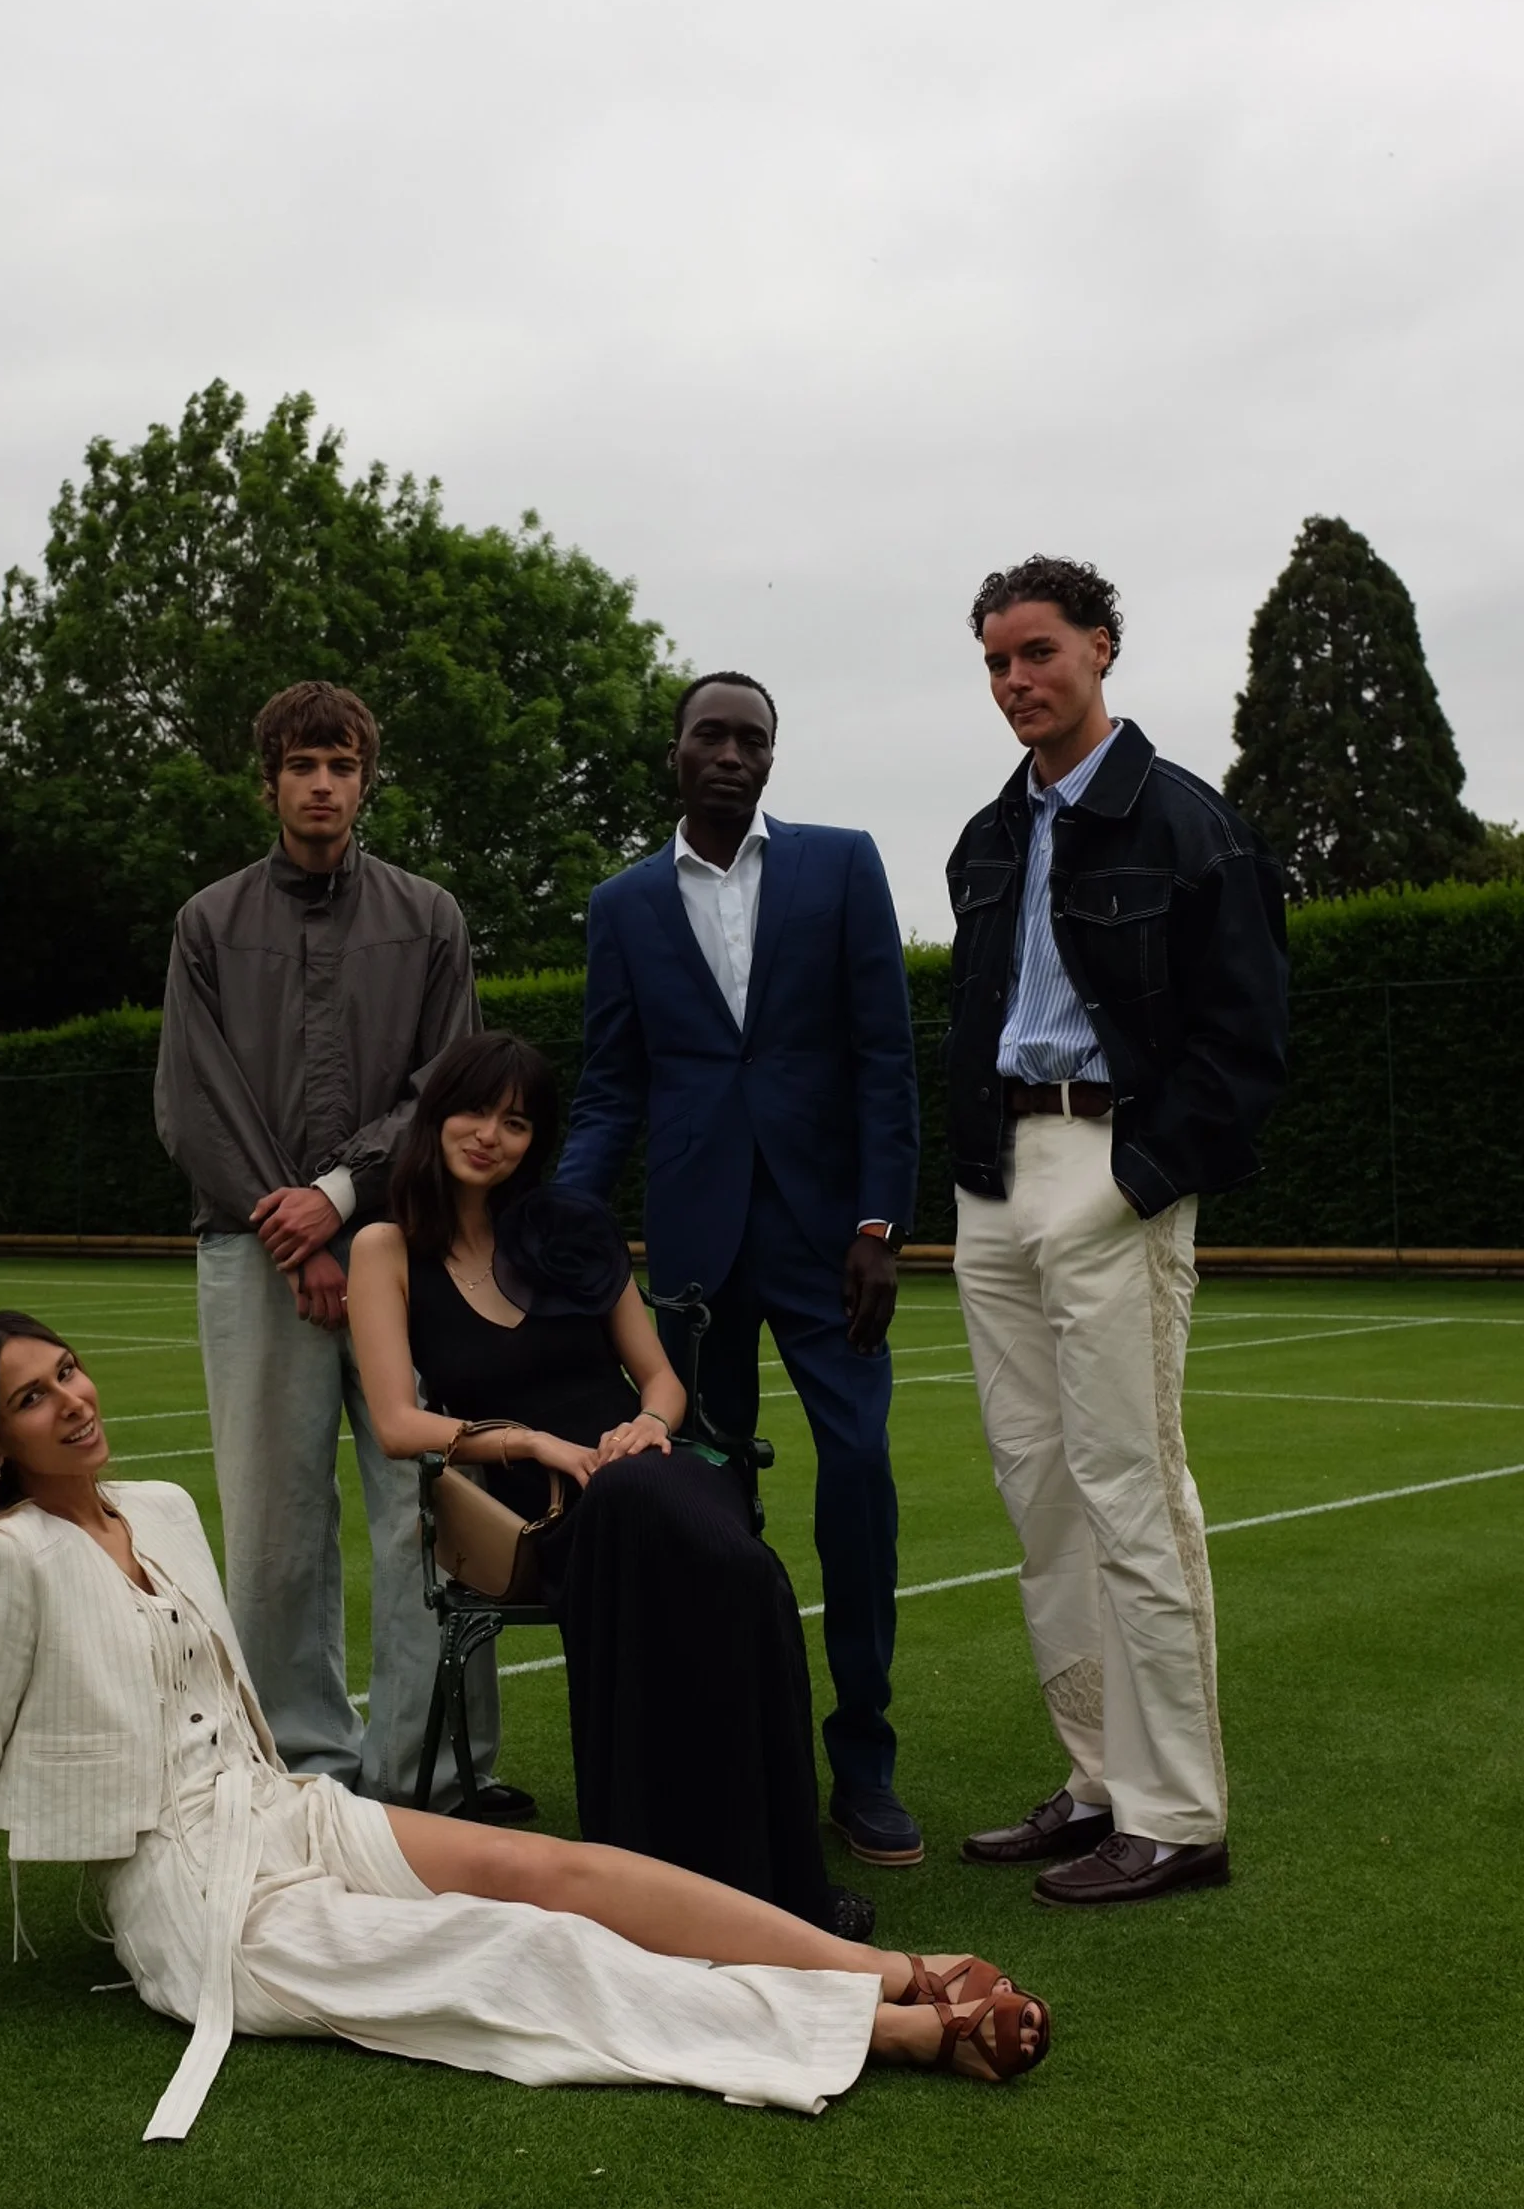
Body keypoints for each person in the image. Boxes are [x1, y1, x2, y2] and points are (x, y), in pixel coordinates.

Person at [0, 1313, 1050, 2136]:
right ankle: (888, 2031)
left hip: (283, 1813)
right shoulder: (2, 1558)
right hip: (192, 1900)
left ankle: (891, 1966)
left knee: (559, 1871)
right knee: (509, 1951)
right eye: (31, 1397)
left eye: (67, 1369)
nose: (72, 1398)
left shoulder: (159, 1506)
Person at [349, 1031, 870, 1938]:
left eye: (517, 1122)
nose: (490, 1136)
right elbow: (397, 1423)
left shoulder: (568, 1228)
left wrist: (649, 1425)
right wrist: (531, 1443)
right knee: (684, 1541)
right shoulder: (386, 1249)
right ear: (436, 1117)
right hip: (538, 1498)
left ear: (536, 1142)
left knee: (716, 1555)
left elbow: (660, 1378)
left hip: (648, 1464)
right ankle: (701, 1881)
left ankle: (769, 1883)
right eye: (474, 1112)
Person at [945, 557, 1287, 1906]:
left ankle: (1179, 1814)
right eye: (995, 661)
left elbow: (1245, 1044)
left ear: (1100, 647)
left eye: (1038, 651)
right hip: (995, 1180)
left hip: (1110, 1168)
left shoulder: (1190, 825)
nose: (1015, 680)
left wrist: (1136, 1180)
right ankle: (1096, 1785)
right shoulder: (987, 835)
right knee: (1039, 1496)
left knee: (1130, 1490)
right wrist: (969, 1179)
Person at [555, 673, 923, 1870]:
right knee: (710, 1511)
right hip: (693, 1261)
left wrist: (881, 1225)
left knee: (857, 1476)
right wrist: (561, 1221)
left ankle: (863, 1764)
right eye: (709, 736)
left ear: (772, 757)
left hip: (829, 1249)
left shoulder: (843, 866)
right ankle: (739, 1767)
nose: (730, 753)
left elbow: (885, 1058)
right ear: (675, 753)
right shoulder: (622, 904)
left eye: (750, 739)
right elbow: (613, 1086)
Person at [155, 679, 506, 1811]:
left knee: (429, 1506)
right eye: (301, 765)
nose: (321, 784)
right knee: (274, 1528)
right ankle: (298, 1771)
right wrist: (294, 1228)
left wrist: (340, 1198)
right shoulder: (207, 925)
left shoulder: (431, 917)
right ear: (268, 783)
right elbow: (193, 1101)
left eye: (341, 765)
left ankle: (431, 1774)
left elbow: (445, 1087)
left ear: (366, 781)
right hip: (257, 1257)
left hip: (403, 1246)